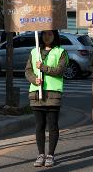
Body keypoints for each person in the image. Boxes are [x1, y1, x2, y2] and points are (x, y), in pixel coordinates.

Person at [25, 30, 68, 167]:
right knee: (39, 126)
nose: (46, 37)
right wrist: (34, 80)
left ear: (55, 36)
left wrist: (43, 67)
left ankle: (50, 155)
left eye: (50, 34)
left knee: (53, 125)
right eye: (44, 34)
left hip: (53, 94)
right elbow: (28, 70)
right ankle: (40, 154)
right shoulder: (34, 51)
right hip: (36, 93)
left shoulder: (61, 52)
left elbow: (60, 71)